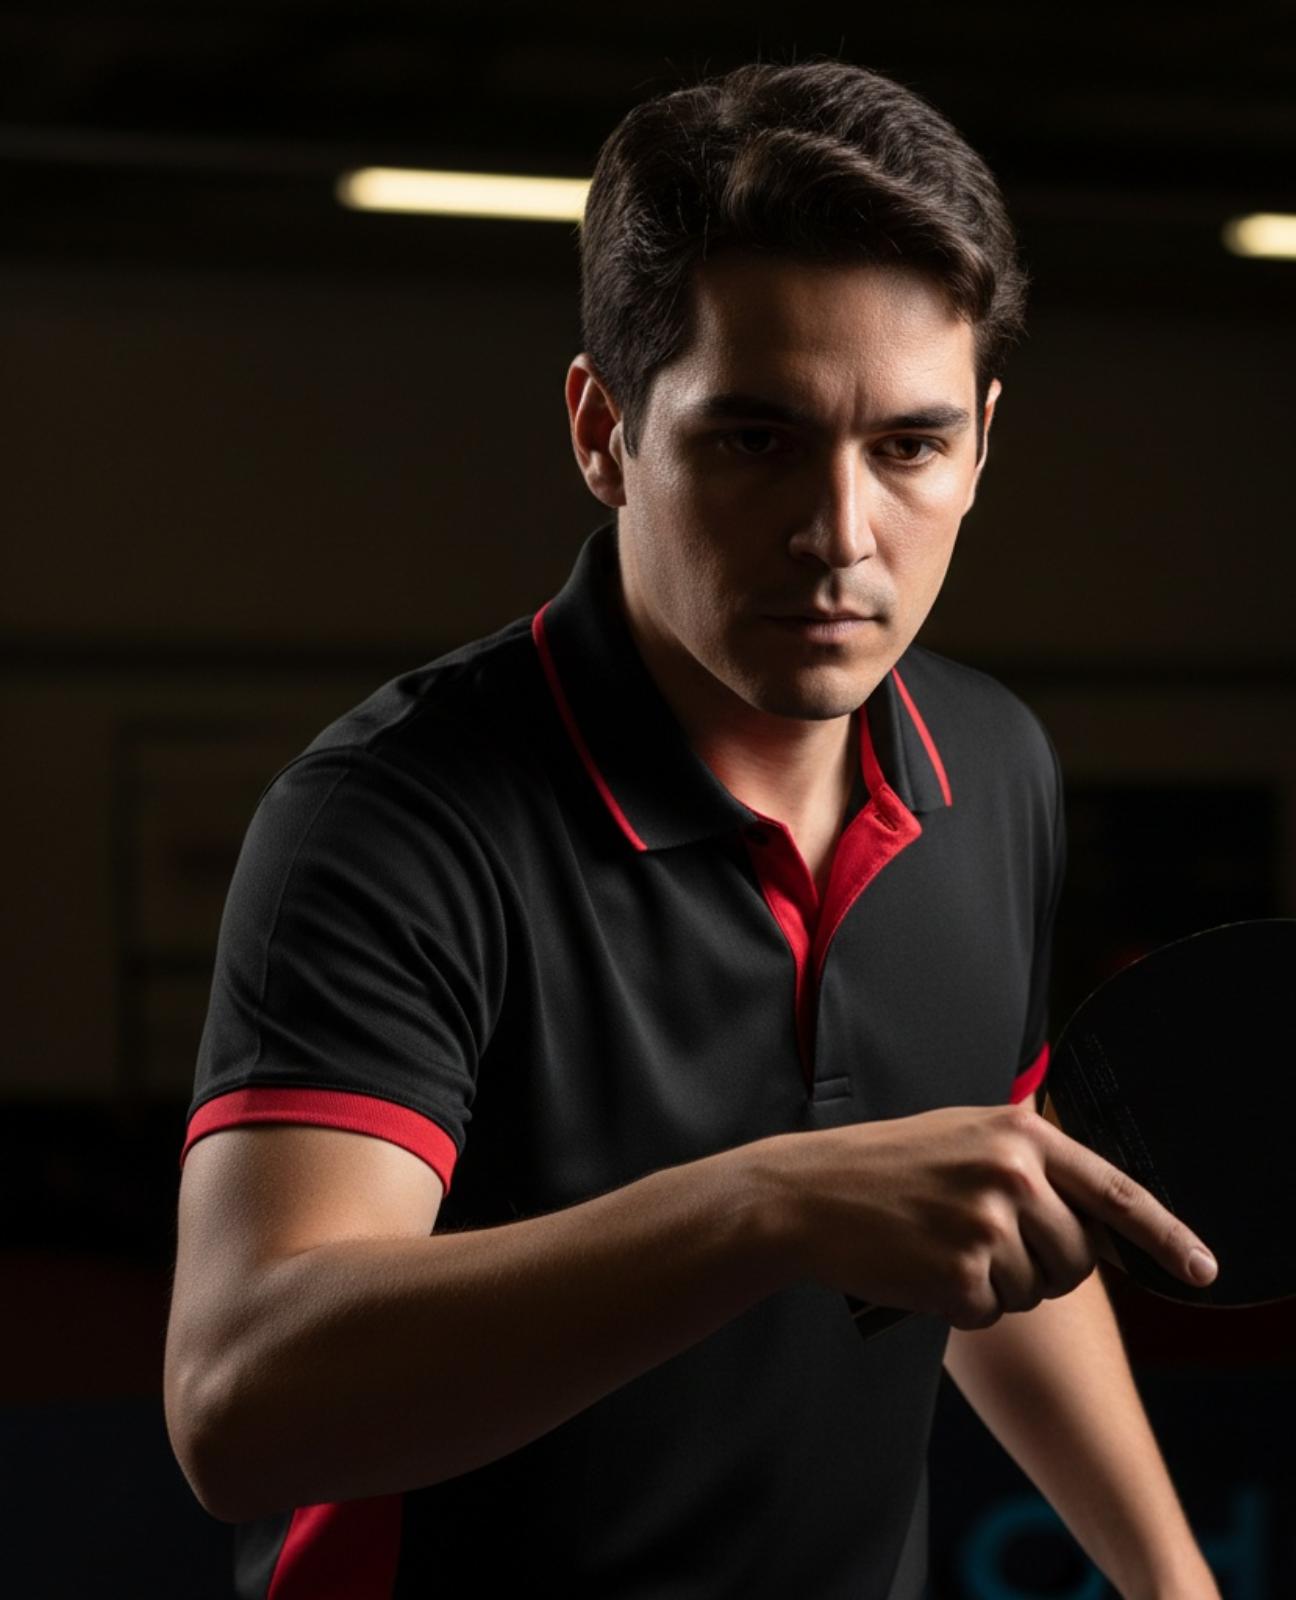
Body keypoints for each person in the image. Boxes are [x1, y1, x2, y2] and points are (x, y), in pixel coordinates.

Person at [164, 58, 1221, 1599]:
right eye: (755, 439)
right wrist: (767, 1205)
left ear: (982, 445)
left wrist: (1174, 1583)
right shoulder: (391, 821)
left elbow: (985, 1216)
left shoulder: (994, 766)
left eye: (909, 447)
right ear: (605, 431)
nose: (840, 534)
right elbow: (239, 1407)